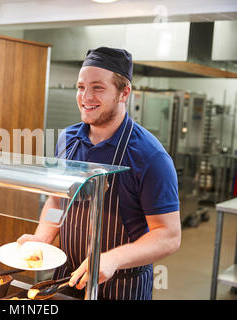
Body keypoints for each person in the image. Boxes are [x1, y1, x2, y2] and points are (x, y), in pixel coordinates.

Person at [18, 47, 181, 300]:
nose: (85, 96)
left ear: (123, 92)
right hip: (66, 280)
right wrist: (42, 238)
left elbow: (168, 236)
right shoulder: (67, 140)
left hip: (122, 287)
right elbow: (58, 201)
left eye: (98, 88)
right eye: (81, 87)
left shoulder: (150, 156)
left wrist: (112, 259)